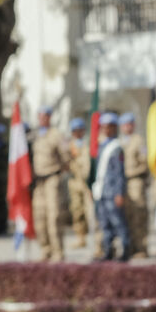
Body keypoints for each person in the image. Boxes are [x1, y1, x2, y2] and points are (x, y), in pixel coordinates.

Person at [30, 107, 68, 262]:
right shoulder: (35, 135)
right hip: (39, 181)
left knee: (54, 216)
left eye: (45, 116)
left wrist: (60, 174)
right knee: (39, 216)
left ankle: (57, 250)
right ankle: (45, 250)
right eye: (40, 116)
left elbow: (66, 157)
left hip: (52, 178)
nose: (42, 119)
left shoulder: (56, 135)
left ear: (50, 117)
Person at [91, 113, 129, 261]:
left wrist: (119, 193)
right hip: (101, 191)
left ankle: (125, 249)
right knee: (104, 223)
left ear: (114, 128)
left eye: (109, 127)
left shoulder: (116, 147)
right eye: (104, 127)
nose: (106, 130)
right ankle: (108, 250)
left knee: (118, 222)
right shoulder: (102, 145)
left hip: (112, 192)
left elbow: (119, 173)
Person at [118, 113, 149, 259]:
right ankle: (128, 247)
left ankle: (141, 248)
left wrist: (131, 172)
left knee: (138, 215)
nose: (127, 127)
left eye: (129, 124)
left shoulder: (139, 141)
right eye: (124, 124)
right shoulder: (119, 142)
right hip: (121, 182)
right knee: (126, 215)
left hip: (135, 181)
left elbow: (145, 163)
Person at [66, 118, 94, 249]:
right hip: (74, 182)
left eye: (80, 130)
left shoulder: (88, 144)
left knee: (91, 212)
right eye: (75, 131)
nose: (77, 133)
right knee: (77, 211)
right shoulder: (69, 146)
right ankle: (80, 237)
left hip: (87, 182)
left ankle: (96, 240)